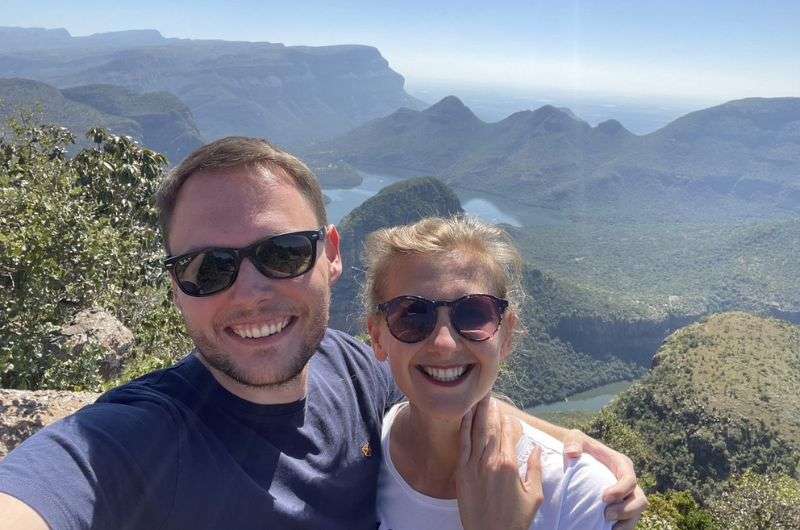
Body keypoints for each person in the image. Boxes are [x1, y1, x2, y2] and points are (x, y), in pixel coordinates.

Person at [0, 137, 646, 529]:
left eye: (282, 253)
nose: (251, 291)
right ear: (175, 286)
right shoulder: (132, 439)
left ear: (330, 254)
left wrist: (572, 442)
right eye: (208, 268)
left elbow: (442, 375)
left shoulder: (353, 374)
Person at [364, 216, 618, 529]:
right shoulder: (356, 460)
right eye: (414, 315)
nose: (444, 343)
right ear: (377, 337)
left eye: (472, 313)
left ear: (506, 334)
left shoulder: (578, 492)